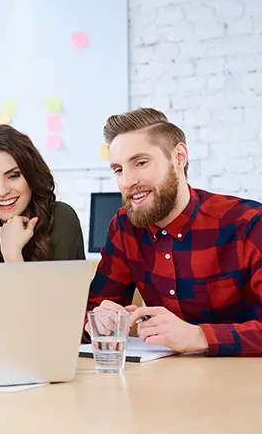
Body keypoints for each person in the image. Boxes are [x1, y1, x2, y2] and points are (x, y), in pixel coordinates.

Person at [88, 107, 262, 356]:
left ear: (179, 157)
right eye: (118, 169)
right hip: (164, 382)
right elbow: (92, 312)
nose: (126, 182)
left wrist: (199, 336)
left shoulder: (248, 224)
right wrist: (102, 321)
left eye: (141, 163)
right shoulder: (124, 226)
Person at [0, 125, 85, 263]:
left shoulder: (60, 217)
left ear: (31, 176)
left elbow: (60, 285)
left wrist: (12, 255)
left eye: (13, 176)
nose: (2, 191)